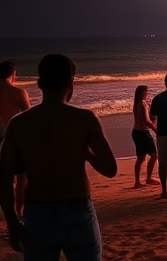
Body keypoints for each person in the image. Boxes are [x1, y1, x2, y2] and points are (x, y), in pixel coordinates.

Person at [0, 54, 117, 259]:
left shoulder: (18, 124)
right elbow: (110, 169)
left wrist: (12, 222)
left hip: (37, 213)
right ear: (71, 83)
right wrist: (86, 153)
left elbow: (4, 179)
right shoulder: (85, 119)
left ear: (39, 83)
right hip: (77, 210)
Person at [0, 61, 31, 218]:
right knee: (21, 180)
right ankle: (19, 214)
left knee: (4, 182)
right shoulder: (18, 92)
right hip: (15, 140)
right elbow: (30, 116)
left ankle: (9, 217)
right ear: (13, 74)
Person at [131, 85, 158, 189]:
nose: (148, 94)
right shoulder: (142, 104)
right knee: (154, 155)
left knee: (141, 157)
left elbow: (141, 119)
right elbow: (146, 121)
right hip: (143, 133)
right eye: (147, 92)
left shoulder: (137, 104)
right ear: (143, 93)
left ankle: (138, 181)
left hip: (136, 132)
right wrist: (155, 130)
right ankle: (148, 178)